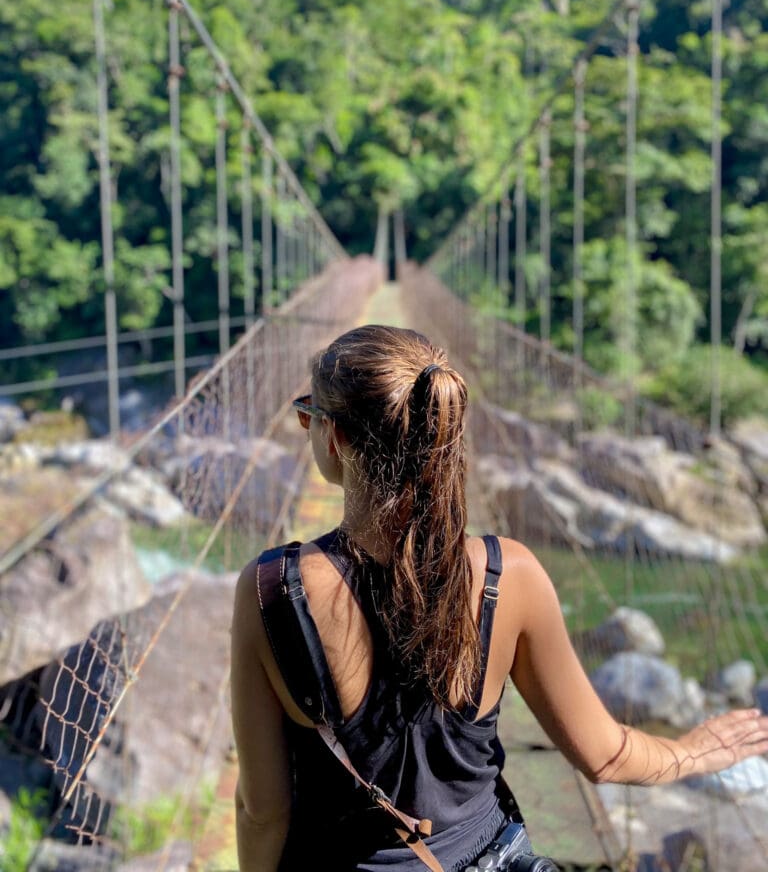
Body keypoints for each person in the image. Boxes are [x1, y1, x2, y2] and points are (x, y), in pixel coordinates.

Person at [230, 324, 768, 872]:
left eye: (307, 416)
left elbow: (262, 811)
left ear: (335, 437)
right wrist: (695, 750)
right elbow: (605, 756)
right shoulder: (510, 575)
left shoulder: (270, 589)